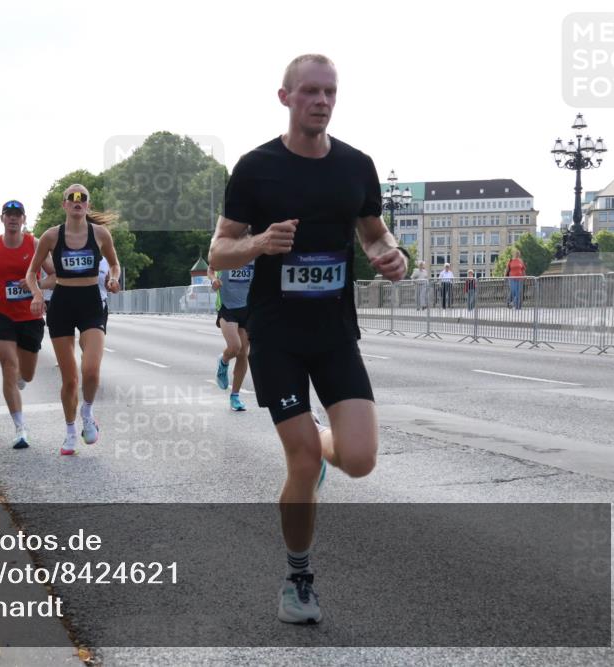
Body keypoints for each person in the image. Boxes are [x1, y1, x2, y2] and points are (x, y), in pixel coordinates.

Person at [208, 54, 408, 624]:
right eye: (310, 92)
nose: (321, 101)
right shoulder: (256, 168)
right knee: (299, 459)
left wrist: (388, 254)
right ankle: (298, 579)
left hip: (334, 332)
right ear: (285, 97)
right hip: (276, 336)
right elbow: (220, 250)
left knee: (361, 460)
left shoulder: (355, 166)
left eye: (330, 92)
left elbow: (374, 234)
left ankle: (324, 442)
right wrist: (258, 243)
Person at [26, 185, 121, 456]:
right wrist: (36, 294)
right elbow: (31, 273)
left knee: (91, 371)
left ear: (88, 205)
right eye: (72, 198)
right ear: (64, 204)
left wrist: (113, 278)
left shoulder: (100, 234)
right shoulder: (51, 236)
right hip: (62, 305)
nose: (78, 201)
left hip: (91, 302)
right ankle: (70, 431)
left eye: (83, 198)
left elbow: (114, 264)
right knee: (70, 380)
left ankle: (87, 412)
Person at [0, 200, 56, 449]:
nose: (12, 219)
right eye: (8, 215)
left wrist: (34, 285)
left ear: (23, 219)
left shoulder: (35, 244)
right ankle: (20, 428)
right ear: (2, 219)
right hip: (1, 314)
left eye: (17, 215)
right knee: (8, 364)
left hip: (31, 315)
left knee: (27, 375)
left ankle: (22, 375)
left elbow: (54, 276)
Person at [208, 258, 253, 411]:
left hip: (248, 308)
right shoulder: (227, 251)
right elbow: (211, 268)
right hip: (227, 307)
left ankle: (235, 396)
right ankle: (224, 360)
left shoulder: (256, 252)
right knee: (235, 347)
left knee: (243, 354)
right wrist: (214, 280)